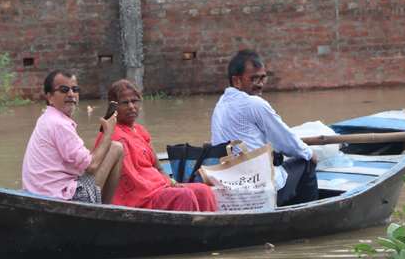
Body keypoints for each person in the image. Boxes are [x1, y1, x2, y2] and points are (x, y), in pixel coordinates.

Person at [211, 49, 318, 206]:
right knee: (306, 161)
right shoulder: (255, 104)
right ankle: (308, 214)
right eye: (254, 79)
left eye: (262, 78)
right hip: (257, 189)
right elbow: (286, 141)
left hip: (229, 184)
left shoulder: (220, 105)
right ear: (237, 81)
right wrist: (310, 153)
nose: (260, 85)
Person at [96, 79, 217, 212]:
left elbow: (158, 168)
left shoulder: (140, 130)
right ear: (114, 106)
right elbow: (132, 181)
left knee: (203, 190)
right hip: (140, 197)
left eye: (134, 101)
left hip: (157, 186)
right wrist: (166, 186)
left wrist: (172, 183)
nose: (131, 106)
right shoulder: (113, 135)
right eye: (125, 103)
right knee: (184, 195)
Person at [22, 70, 123, 204]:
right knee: (116, 148)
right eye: (64, 90)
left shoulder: (47, 118)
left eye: (75, 89)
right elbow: (91, 166)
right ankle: (105, 211)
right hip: (59, 198)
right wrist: (108, 133)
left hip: (43, 193)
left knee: (105, 151)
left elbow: (83, 162)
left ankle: (104, 208)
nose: (71, 94)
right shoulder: (59, 124)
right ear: (50, 97)